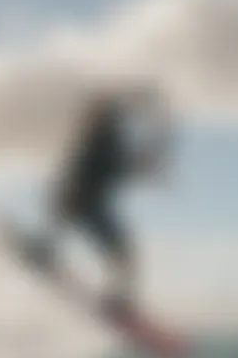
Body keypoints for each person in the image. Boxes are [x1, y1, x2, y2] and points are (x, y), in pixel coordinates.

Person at [29, 82, 173, 321]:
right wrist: (148, 160)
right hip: (80, 201)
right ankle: (117, 299)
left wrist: (148, 105)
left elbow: (124, 163)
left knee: (116, 249)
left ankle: (45, 249)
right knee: (123, 253)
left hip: (75, 201)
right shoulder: (100, 140)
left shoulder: (101, 138)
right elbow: (122, 164)